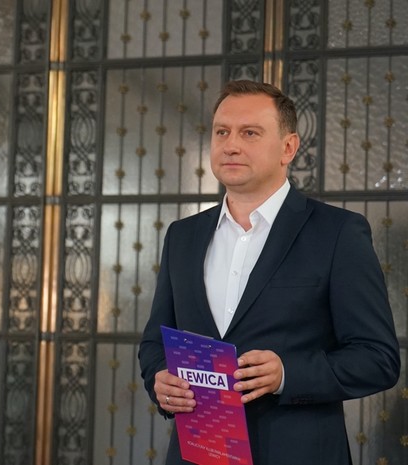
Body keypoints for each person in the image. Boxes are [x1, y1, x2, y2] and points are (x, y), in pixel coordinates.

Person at [138, 80, 400, 465]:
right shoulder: (182, 236)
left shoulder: (338, 233)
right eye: (222, 132)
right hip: (198, 453)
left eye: (250, 133)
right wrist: (159, 380)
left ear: (288, 148)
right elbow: (153, 343)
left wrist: (286, 375)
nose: (231, 145)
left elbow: (378, 359)